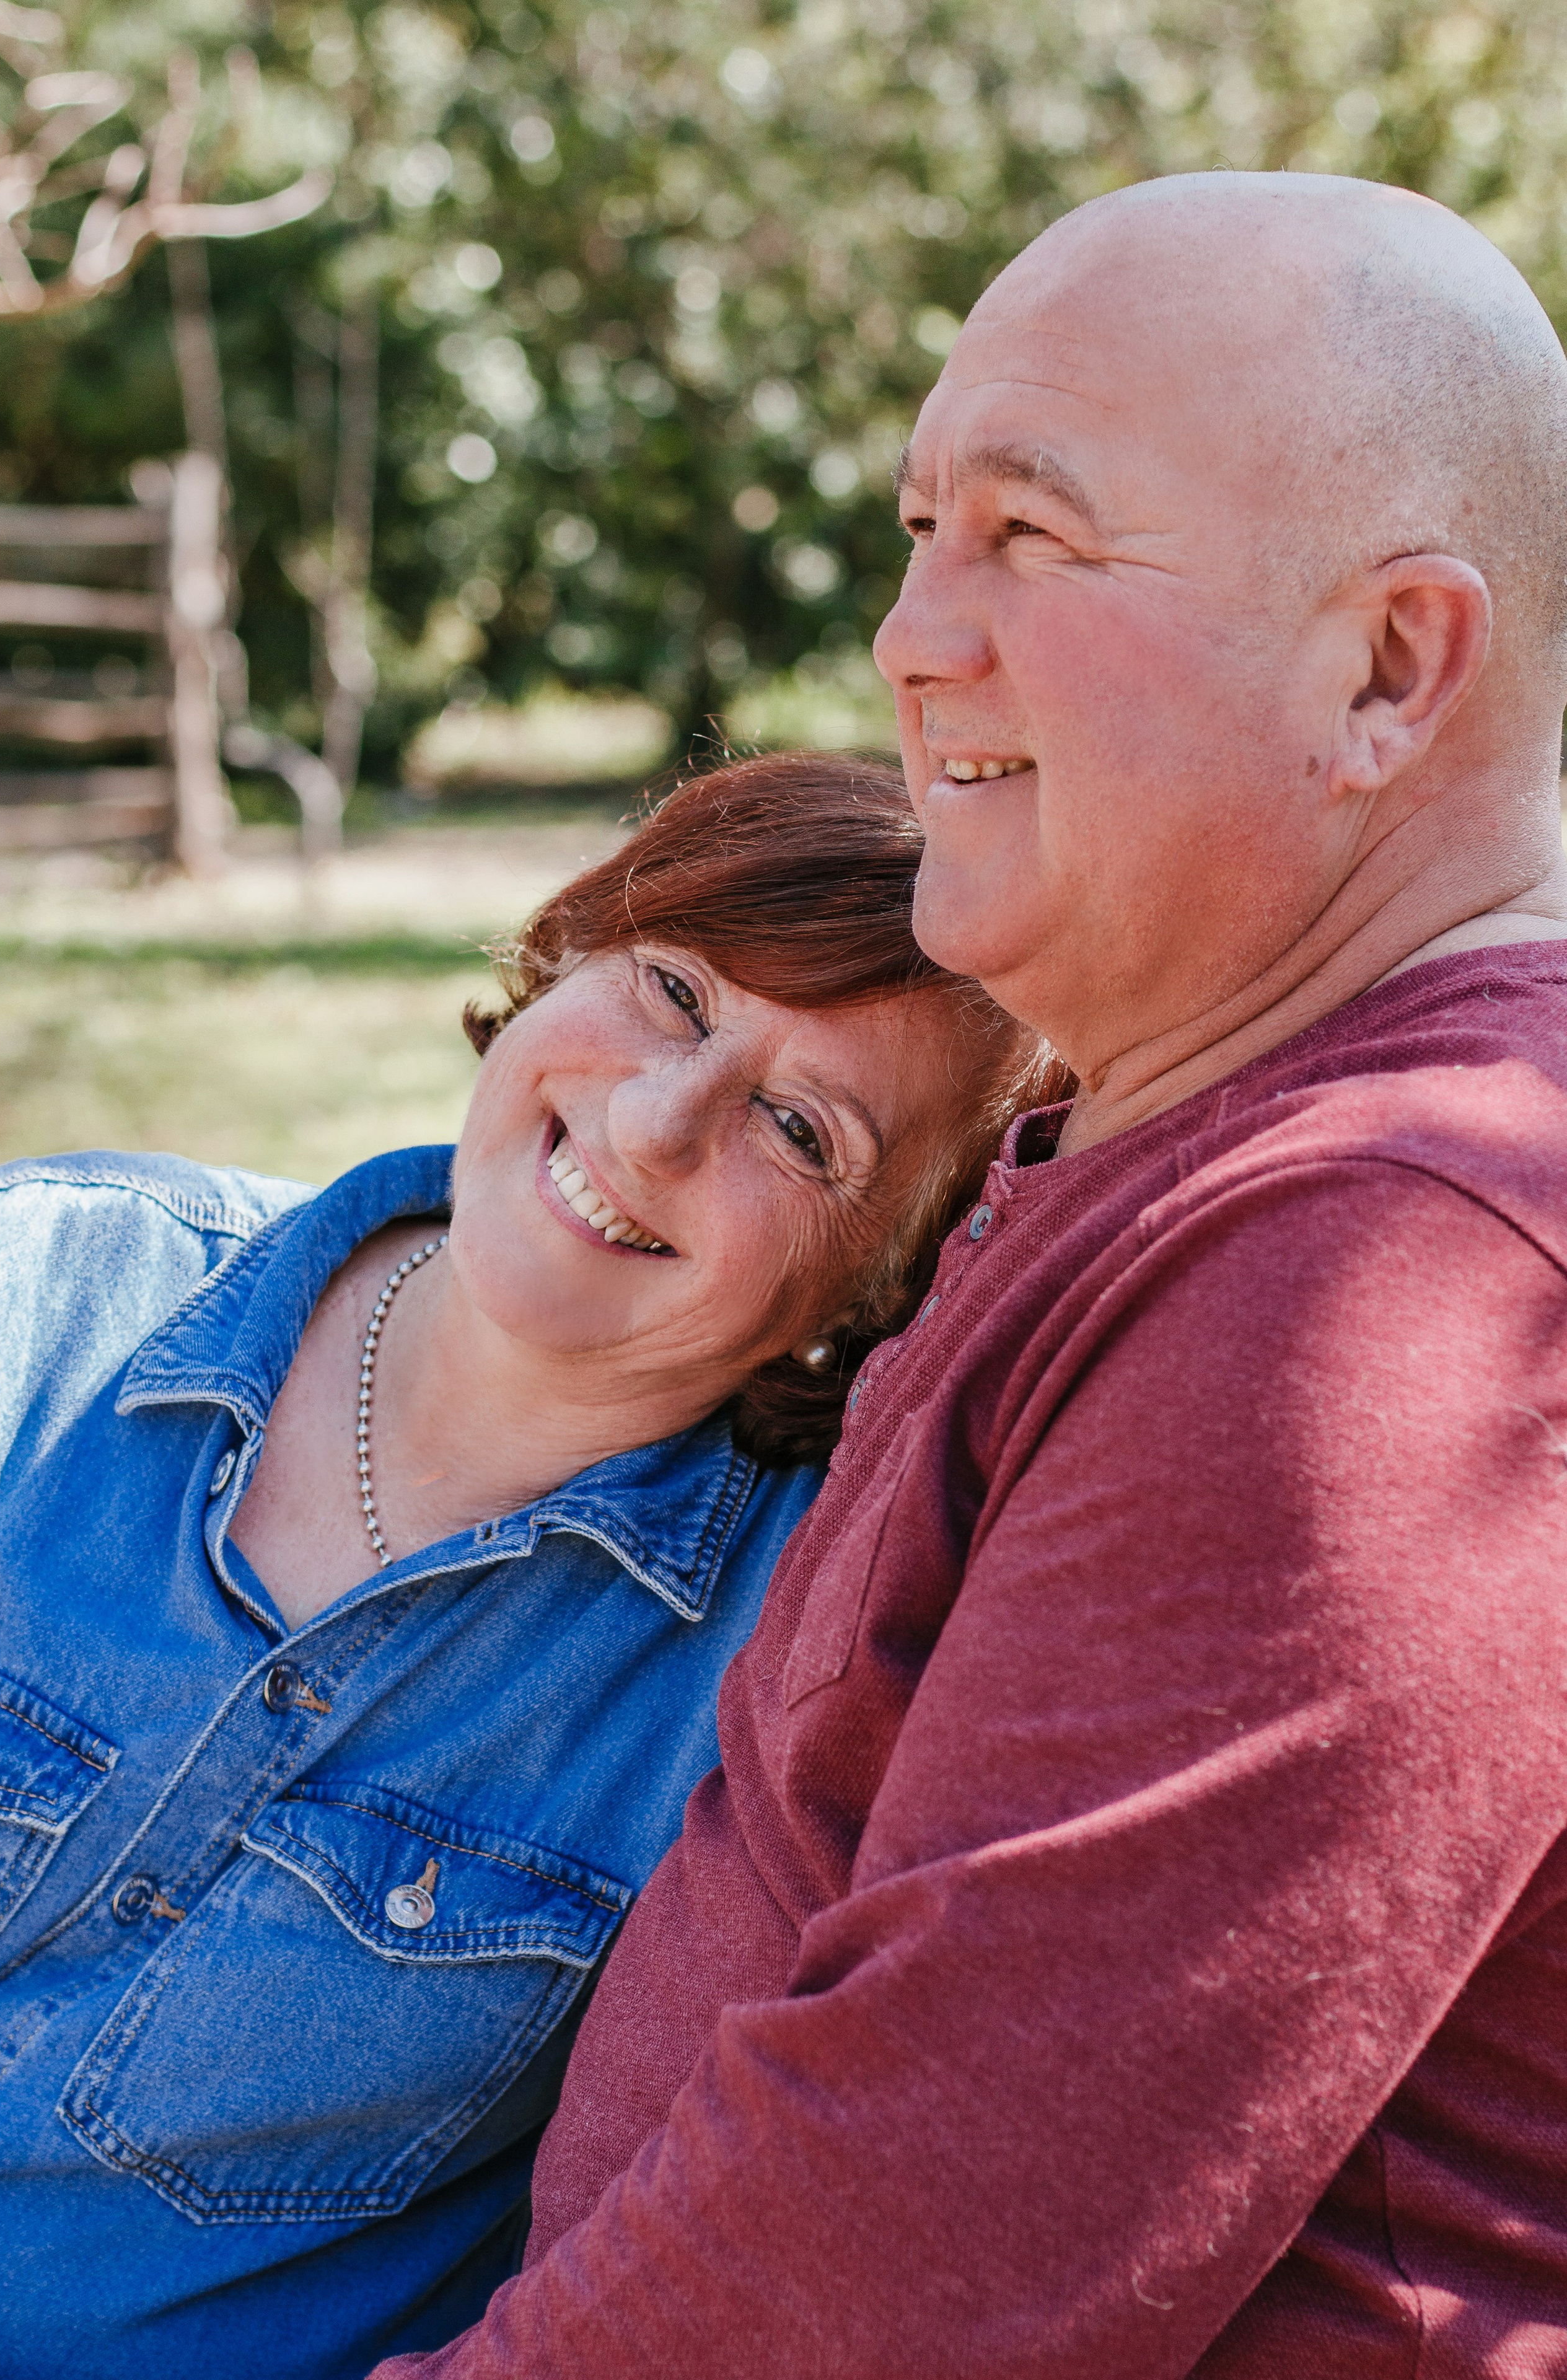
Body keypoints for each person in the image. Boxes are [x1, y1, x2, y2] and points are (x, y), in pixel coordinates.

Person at [372, 175, 1567, 2378]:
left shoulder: (1387, 1267)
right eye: (925, 527)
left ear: (1391, 665)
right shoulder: (1176, 1129)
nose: (916, 638)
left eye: (1033, 535)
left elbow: (900, 2269)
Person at [0, 752, 1051, 2380]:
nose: (654, 1116)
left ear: (878, 1282)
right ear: (575, 945)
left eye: (798, 1128)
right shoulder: (41, 1287)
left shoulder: (779, 1678)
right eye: (676, 990)